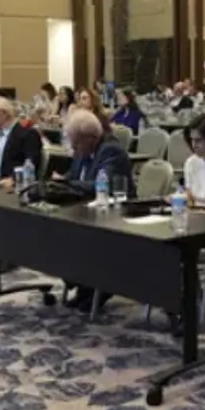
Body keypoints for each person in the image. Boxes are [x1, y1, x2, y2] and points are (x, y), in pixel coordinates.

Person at [59, 111, 133, 312]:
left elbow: (100, 185)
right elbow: (73, 177)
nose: (73, 148)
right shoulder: (81, 149)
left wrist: (66, 185)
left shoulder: (111, 151)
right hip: (86, 210)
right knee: (58, 233)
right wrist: (60, 182)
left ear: (91, 138)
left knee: (80, 237)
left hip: (116, 214)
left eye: (76, 143)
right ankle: (82, 285)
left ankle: (96, 287)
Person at [0, 96, 43, 189]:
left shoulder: (27, 134)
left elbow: (31, 162)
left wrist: (13, 179)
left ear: (4, 113)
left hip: (4, 184)